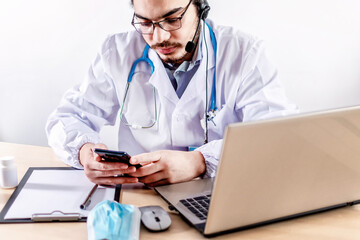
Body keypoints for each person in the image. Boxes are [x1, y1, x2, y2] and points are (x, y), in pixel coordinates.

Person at [46, 0, 298, 187]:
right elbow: (66, 118)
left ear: (200, 7)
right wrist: (85, 152)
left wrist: (200, 161)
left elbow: (276, 134)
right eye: (145, 23)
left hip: (223, 190)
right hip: (142, 196)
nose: (159, 37)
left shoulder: (245, 53)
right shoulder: (117, 51)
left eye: (172, 19)